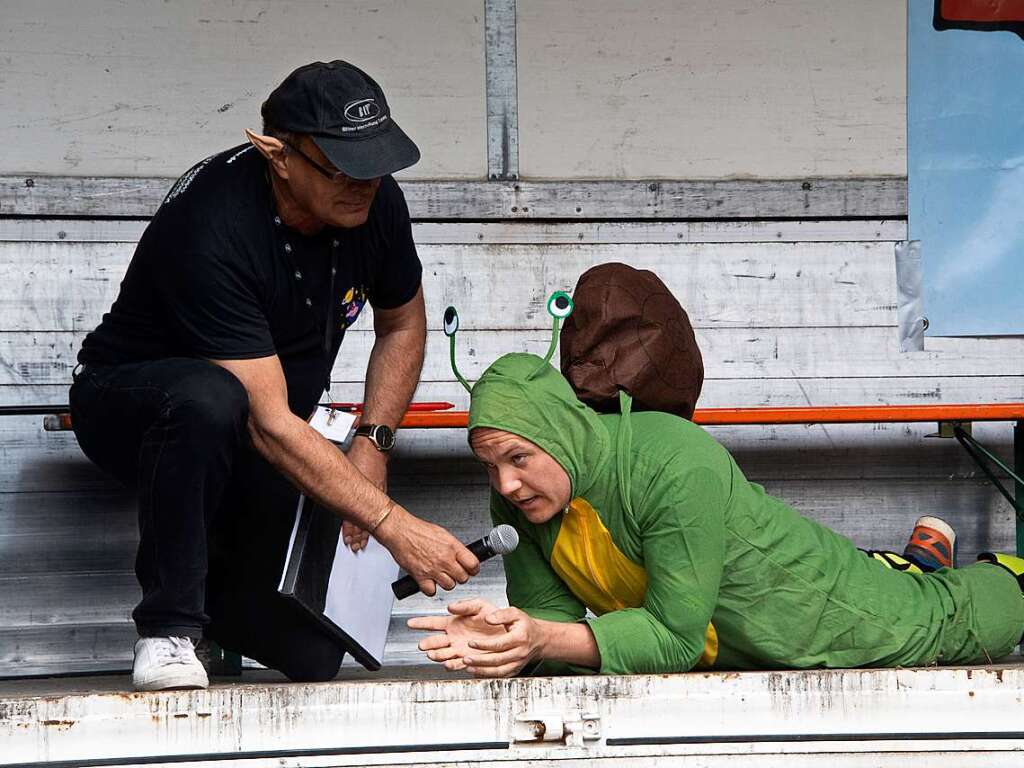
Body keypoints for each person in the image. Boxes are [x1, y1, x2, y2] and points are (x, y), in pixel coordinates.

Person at [70, 60, 479, 691]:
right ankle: (169, 629)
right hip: (135, 402)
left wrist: (373, 443)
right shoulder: (212, 223)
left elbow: (401, 326)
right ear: (278, 155)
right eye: (342, 167)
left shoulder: (374, 198)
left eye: (376, 163)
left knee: (314, 658)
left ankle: (220, 609)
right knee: (210, 399)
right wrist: (393, 524)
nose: (364, 184)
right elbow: (266, 423)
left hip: (263, 417)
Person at [408, 300, 1024, 678]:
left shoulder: (674, 463)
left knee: (942, 621)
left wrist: (542, 638)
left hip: (827, 617)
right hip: (733, 637)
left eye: (517, 458)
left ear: (564, 432)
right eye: (488, 465)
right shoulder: (522, 489)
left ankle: (997, 575)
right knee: (902, 577)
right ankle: (916, 560)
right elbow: (550, 625)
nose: (506, 484)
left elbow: (674, 638)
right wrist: (508, 641)